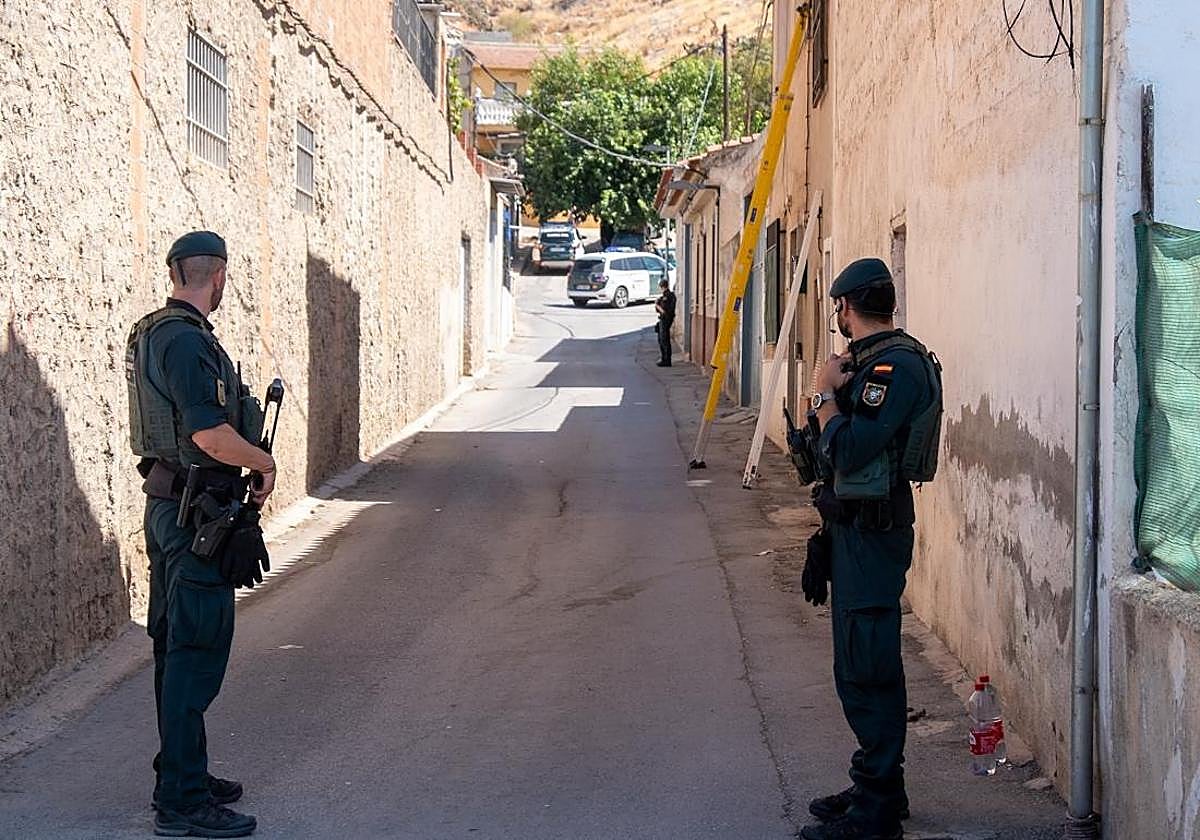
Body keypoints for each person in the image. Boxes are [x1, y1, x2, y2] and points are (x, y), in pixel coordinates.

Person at [125, 231, 275, 838]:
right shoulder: (187, 342)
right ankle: (182, 802)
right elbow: (210, 437)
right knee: (195, 651)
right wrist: (262, 465)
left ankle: (182, 770)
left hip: (172, 509)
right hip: (194, 519)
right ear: (218, 277)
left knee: (175, 646)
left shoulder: (155, 332)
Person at [799, 258, 943, 840]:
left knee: (868, 664)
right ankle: (877, 782)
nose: (836, 315)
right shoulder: (866, 361)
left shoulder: (895, 366)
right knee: (859, 660)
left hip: (874, 532)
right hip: (854, 530)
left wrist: (823, 397)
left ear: (847, 306)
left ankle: (878, 808)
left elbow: (853, 448)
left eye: (837, 306)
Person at [654, 278, 676, 367]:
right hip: (665, 319)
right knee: (661, 339)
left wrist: (657, 305)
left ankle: (666, 360)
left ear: (661, 286)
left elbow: (663, 311)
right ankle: (665, 358)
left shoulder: (667, 296)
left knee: (664, 340)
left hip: (665, 319)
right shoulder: (668, 296)